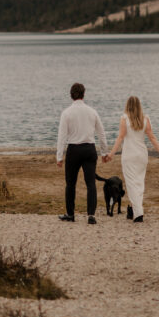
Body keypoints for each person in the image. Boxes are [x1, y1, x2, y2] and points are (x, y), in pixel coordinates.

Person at [103, 95, 159, 222]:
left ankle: (138, 213)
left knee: (131, 184)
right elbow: (152, 137)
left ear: (127, 105)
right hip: (141, 155)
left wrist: (111, 154)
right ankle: (134, 210)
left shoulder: (124, 118)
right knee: (139, 183)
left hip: (129, 155)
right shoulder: (145, 119)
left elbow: (120, 138)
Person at [56, 82, 108, 225]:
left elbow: (62, 136)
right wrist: (104, 152)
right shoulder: (92, 111)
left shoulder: (66, 113)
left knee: (70, 184)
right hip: (89, 149)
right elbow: (101, 133)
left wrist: (59, 156)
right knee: (91, 183)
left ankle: (70, 214)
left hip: (73, 150)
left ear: (71, 95)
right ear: (83, 94)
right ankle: (91, 215)